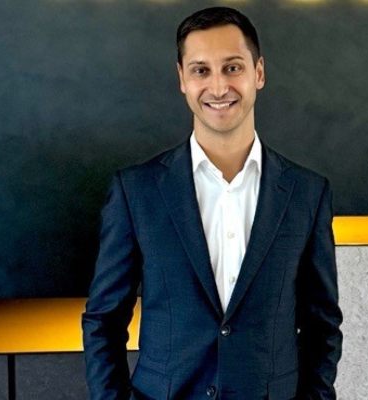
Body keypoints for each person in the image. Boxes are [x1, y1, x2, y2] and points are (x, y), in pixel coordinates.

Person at [82, 7, 343, 400]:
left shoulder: (307, 193)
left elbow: (322, 325)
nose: (218, 87)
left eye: (232, 68)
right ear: (182, 79)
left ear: (258, 73)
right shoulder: (136, 191)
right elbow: (104, 321)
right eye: (201, 70)